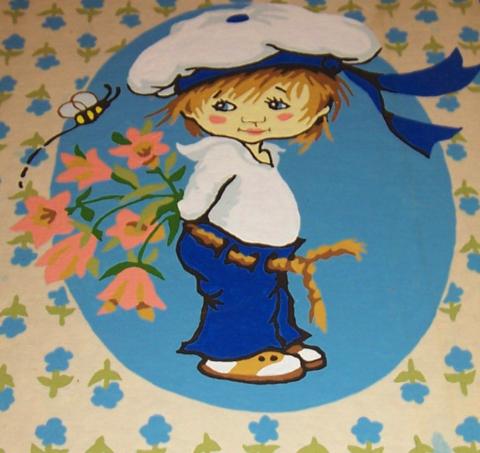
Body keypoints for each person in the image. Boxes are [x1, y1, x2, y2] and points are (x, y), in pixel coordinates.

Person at [128, 4, 480, 384]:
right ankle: (230, 355)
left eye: (277, 104)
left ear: (317, 111)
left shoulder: (262, 152)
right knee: (239, 298)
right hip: (220, 247)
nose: (251, 118)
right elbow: (200, 194)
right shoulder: (222, 153)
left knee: (275, 294)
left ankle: (282, 341)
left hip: (260, 251)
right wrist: (191, 214)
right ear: (192, 109)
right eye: (224, 105)